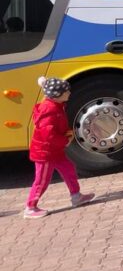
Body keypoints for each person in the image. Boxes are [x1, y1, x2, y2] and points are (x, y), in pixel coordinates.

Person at [24, 77, 95, 218]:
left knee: (69, 170)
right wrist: (64, 140)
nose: (69, 92)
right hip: (45, 153)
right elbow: (47, 134)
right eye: (66, 91)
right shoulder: (48, 109)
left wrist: (65, 134)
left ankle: (76, 196)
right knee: (42, 180)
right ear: (57, 95)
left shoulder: (55, 104)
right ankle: (30, 207)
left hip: (54, 150)